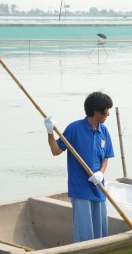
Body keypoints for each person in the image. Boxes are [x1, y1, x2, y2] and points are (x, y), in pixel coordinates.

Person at [44, 91, 115, 242]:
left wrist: (101, 173)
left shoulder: (104, 131)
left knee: (101, 231)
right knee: (85, 234)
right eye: (106, 110)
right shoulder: (74, 129)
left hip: (98, 186)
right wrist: (50, 132)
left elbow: (107, 156)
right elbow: (56, 151)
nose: (108, 114)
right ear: (96, 111)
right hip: (80, 188)